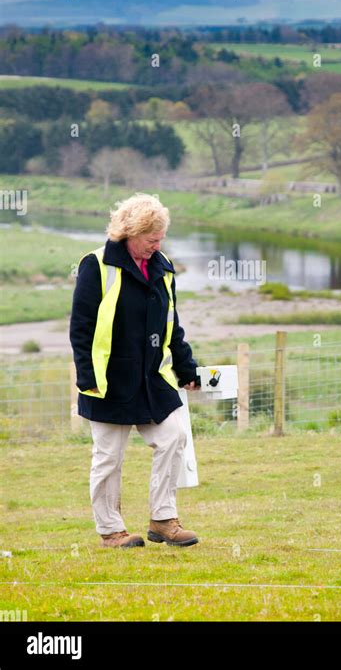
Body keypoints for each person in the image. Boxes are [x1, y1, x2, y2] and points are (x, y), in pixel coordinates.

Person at [69, 193, 200, 549]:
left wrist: (186, 366)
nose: (156, 246)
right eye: (150, 239)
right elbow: (81, 327)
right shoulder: (95, 265)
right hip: (107, 381)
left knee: (173, 436)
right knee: (109, 457)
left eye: (160, 239)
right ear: (129, 232)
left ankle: (163, 519)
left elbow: (172, 322)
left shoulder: (163, 266)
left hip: (151, 379)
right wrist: (88, 377)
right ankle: (111, 531)